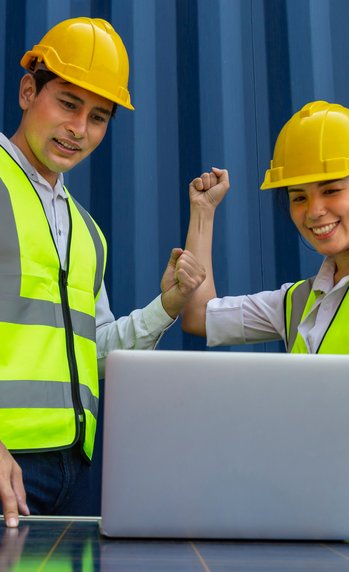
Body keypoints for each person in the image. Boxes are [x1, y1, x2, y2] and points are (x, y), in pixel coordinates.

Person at [0, 16, 206, 527]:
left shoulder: (88, 232)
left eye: (99, 117)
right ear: (29, 91)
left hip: (74, 474)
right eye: (68, 103)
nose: (79, 129)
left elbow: (95, 356)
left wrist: (167, 307)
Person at [182, 100, 349, 519]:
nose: (314, 211)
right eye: (298, 197)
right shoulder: (300, 301)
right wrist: (203, 214)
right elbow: (199, 316)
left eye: (331, 189)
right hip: (322, 529)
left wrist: (327, 504)